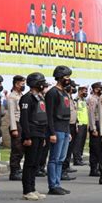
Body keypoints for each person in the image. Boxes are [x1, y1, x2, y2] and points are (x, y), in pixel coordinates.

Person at [20, 72, 49, 201]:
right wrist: (27, 137)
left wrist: (43, 136)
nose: (43, 84)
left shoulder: (40, 97)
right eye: (41, 82)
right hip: (31, 133)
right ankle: (27, 190)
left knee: (36, 163)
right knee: (29, 162)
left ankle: (33, 188)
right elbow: (24, 119)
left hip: (40, 133)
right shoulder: (27, 98)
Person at [45, 66, 72, 195]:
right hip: (57, 129)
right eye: (66, 77)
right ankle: (53, 185)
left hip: (65, 129)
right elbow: (49, 114)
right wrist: (52, 133)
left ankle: (58, 183)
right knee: (54, 159)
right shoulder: (52, 93)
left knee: (61, 159)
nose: (68, 79)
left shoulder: (64, 92)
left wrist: (69, 132)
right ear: (60, 77)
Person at [7, 75, 26, 181]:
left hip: (22, 123)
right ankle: (14, 171)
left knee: (21, 148)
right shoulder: (12, 97)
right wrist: (13, 128)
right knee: (16, 148)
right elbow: (11, 114)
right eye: (22, 84)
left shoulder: (21, 95)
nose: (23, 86)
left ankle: (18, 168)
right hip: (16, 124)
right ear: (16, 84)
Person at [61, 81, 78, 181]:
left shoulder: (71, 98)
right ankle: (63, 170)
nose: (73, 89)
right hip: (66, 125)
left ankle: (66, 167)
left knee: (69, 148)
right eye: (73, 87)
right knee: (65, 150)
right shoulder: (65, 97)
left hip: (72, 125)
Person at [87, 82, 102, 177]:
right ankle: (93, 169)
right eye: (100, 88)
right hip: (95, 124)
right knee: (95, 148)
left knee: (99, 148)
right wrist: (93, 128)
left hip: (100, 124)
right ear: (96, 89)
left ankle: (97, 167)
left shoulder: (99, 98)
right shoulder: (92, 99)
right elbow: (91, 114)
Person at [73, 86, 88, 166]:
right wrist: (76, 124)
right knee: (77, 143)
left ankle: (80, 157)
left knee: (82, 142)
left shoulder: (84, 101)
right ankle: (76, 159)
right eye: (84, 91)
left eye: (86, 91)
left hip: (85, 123)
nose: (85, 93)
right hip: (79, 124)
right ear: (79, 91)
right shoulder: (76, 100)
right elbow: (75, 113)